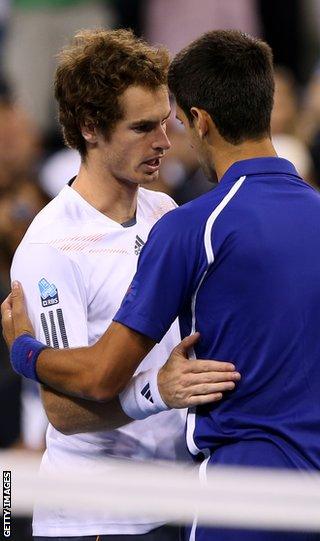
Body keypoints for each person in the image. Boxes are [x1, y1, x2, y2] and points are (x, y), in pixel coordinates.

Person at [5, 28, 320, 540]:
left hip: (182, 498)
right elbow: (62, 411)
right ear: (89, 128)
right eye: (142, 127)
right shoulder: (50, 247)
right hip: (101, 519)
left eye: (166, 121)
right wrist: (157, 391)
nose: (165, 142)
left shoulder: (169, 214)